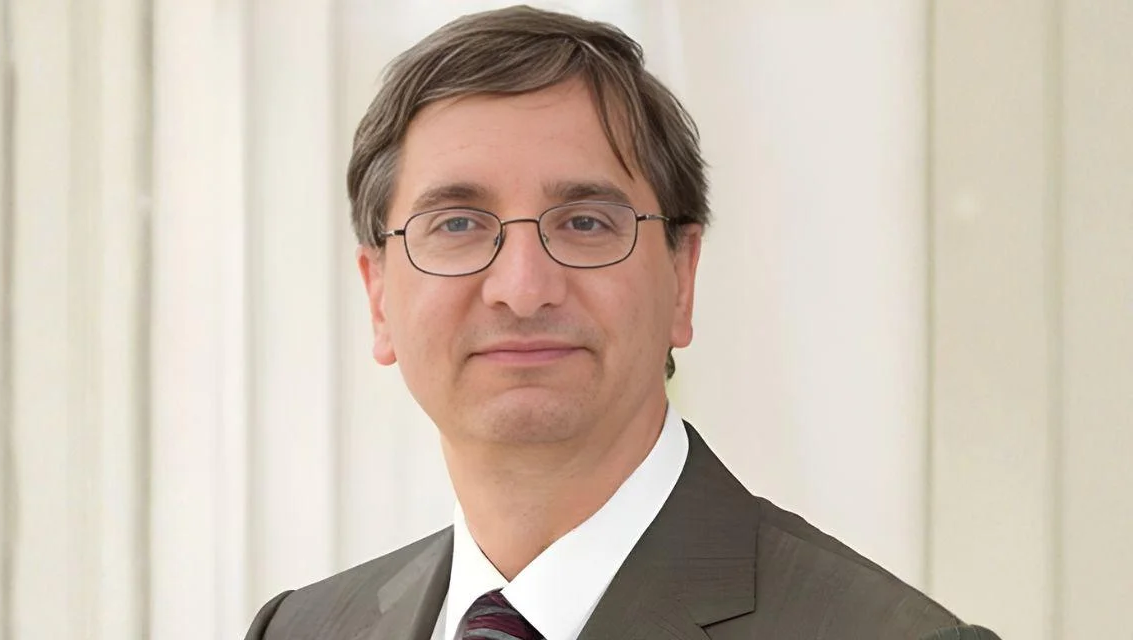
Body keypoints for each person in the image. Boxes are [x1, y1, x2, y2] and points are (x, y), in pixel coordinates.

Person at [245, 6, 999, 640]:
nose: (522, 289)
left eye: (584, 223)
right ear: (379, 296)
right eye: (459, 225)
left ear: (682, 280)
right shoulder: (298, 630)